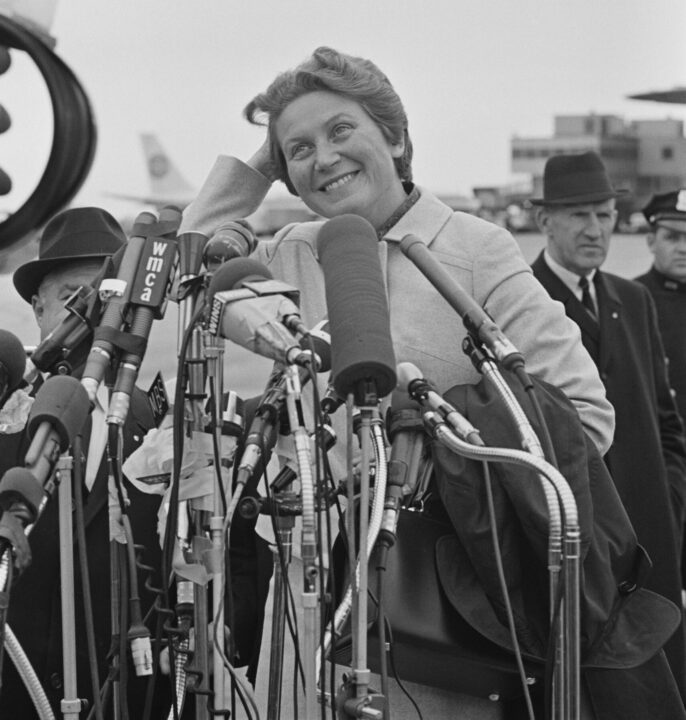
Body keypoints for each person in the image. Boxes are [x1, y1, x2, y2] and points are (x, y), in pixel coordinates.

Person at [179, 48, 684, 719]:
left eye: (340, 131)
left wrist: (443, 463)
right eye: (299, 149)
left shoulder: (475, 248)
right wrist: (263, 160)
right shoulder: (293, 251)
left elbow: (586, 414)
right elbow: (190, 263)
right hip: (312, 602)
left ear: (395, 135)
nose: (323, 158)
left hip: (448, 606)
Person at [0, 207, 272, 718]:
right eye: (71, 299)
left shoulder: (165, 422)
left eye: (110, 299)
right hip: (16, 685)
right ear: (37, 308)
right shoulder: (6, 407)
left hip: (129, 689)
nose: (94, 317)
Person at [531, 152, 686, 700]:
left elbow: (665, 421)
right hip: (577, 534)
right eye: (578, 216)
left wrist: (668, 497)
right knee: (585, 684)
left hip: (648, 528)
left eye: (604, 215)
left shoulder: (632, 298)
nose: (595, 229)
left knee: (663, 683)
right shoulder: (521, 303)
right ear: (545, 220)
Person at [635, 190, 686, 587]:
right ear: (651, 240)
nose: (683, 248)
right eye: (672, 237)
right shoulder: (630, 303)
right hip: (665, 470)